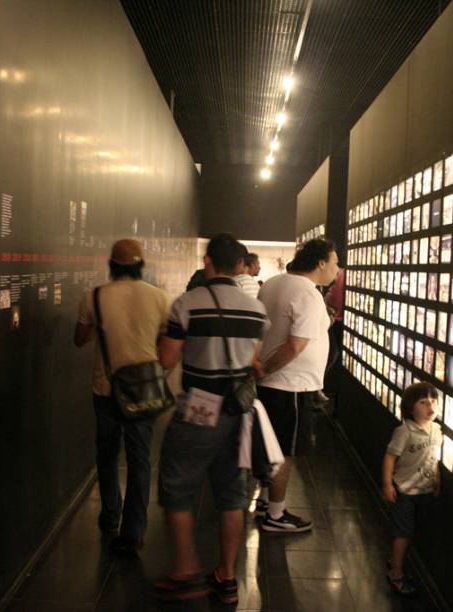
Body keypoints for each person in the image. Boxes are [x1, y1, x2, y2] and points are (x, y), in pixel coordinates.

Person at [154, 233, 268, 603]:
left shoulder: (187, 304)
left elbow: (166, 360)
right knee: (232, 494)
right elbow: (253, 362)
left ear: (208, 262)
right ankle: (226, 575)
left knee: (177, 484)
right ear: (239, 266)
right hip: (240, 411)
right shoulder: (256, 310)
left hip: (199, 407)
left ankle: (185, 568)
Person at [73, 239, 170, 554]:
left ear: (112, 264)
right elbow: (164, 344)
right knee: (140, 459)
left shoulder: (95, 297)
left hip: (106, 389)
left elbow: (80, 339)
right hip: (143, 391)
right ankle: (135, 530)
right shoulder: (160, 298)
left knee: (107, 454)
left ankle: (109, 515)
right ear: (140, 265)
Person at [253, 238, 338, 532]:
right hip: (289, 385)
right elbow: (294, 345)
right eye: (335, 262)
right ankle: (275, 515)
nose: (337, 270)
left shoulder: (275, 283)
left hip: (275, 383)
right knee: (283, 451)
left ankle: (265, 500)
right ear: (321, 263)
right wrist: (265, 369)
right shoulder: (308, 294)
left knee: (272, 445)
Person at [382, 382, 442, 595]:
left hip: (424, 491)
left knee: (410, 531)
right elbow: (390, 457)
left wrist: (437, 480)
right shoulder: (405, 431)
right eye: (423, 402)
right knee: (403, 533)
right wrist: (388, 484)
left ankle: (394, 561)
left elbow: (435, 459)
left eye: (433, 401)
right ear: (410, 407)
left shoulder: (436, 429)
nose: (430, 406)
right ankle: (396, 575)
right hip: (404, 492)